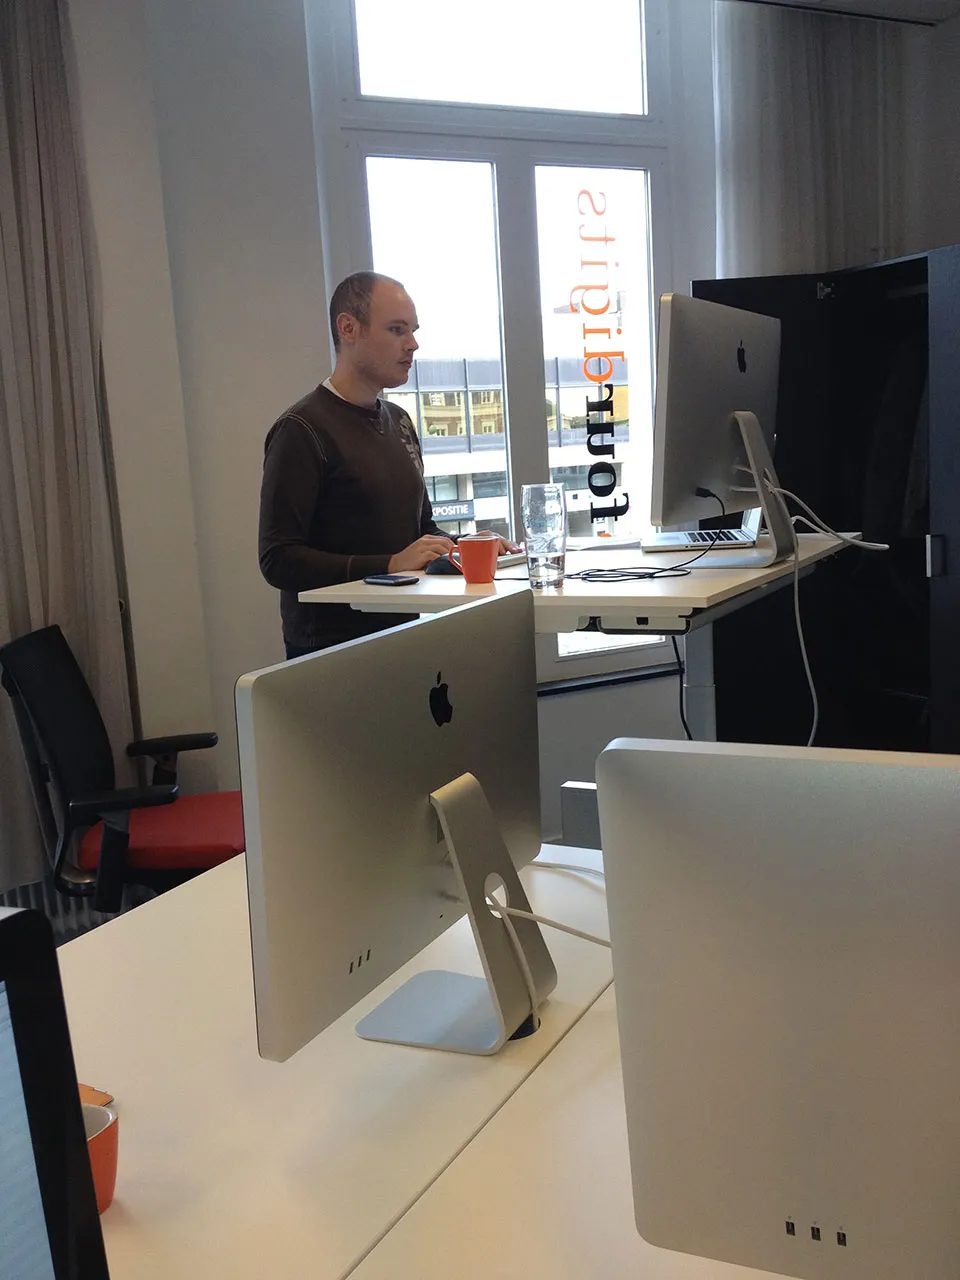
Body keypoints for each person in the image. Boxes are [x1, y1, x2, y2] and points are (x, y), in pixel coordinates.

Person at [259, 271, 516, 657]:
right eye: (397, 330)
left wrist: (470, 546)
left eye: (412, 330)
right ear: (348, 328)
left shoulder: (399, 421)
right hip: (329, 652)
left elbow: (420, 530)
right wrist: (391, 563)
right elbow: (277, 559)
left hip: (400, 634)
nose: (413, 344)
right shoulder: (301, 429)